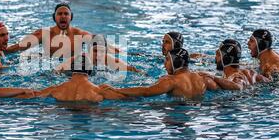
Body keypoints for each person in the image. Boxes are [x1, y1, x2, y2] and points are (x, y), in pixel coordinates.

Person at [106, 48, 241, 99]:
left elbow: (146, 92)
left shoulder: (171, 81)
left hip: (175, 113)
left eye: (167, 61)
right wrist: (214, 77)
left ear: (175, 62)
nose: (165, 64)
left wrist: (117, 89)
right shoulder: (203, 77)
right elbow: (234, 88)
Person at [5, 2, 92, 58]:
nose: (63, 16)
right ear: (54, 17)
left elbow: (99, 43)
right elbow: (19, 46)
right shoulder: (44, 34)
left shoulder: (80, 34)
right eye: (60, 14)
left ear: (71, 17)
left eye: (66, 14)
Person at [36, 55, 126, 102]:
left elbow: (28, 94)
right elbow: (128, 98)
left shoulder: (54, 90)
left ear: (71, 69)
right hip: (90, 111)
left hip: (63, 113)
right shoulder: (100, 90)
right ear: (90, 71)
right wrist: (118, 90)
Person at [55, 34, 140, 73]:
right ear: (88, 51)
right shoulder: (80, 59)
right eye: (95, 51)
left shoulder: (109, 60)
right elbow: (57, 69)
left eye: (102, 51)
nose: (99, 55)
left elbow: (131, 69)